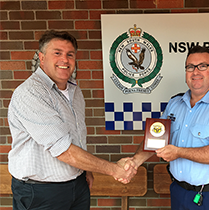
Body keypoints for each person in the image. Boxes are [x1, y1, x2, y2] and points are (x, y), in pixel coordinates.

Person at [8, 30, 136, 210]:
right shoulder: (31, 93)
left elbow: (76, 136)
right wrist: (115, 170)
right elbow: (63, 150)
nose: (65, 60)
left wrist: (85, 170)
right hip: (41, 192)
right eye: (57, 53)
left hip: (77, 185)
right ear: (41, 57)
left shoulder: (74, 91)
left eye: (70, 55)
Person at [125, 45, 209, 210]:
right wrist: (134, 162)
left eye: (202, 66)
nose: (195, 72)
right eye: (190, 67)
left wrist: (179, 152)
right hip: (179, 192)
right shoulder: (174, 104)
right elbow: (155, 138)